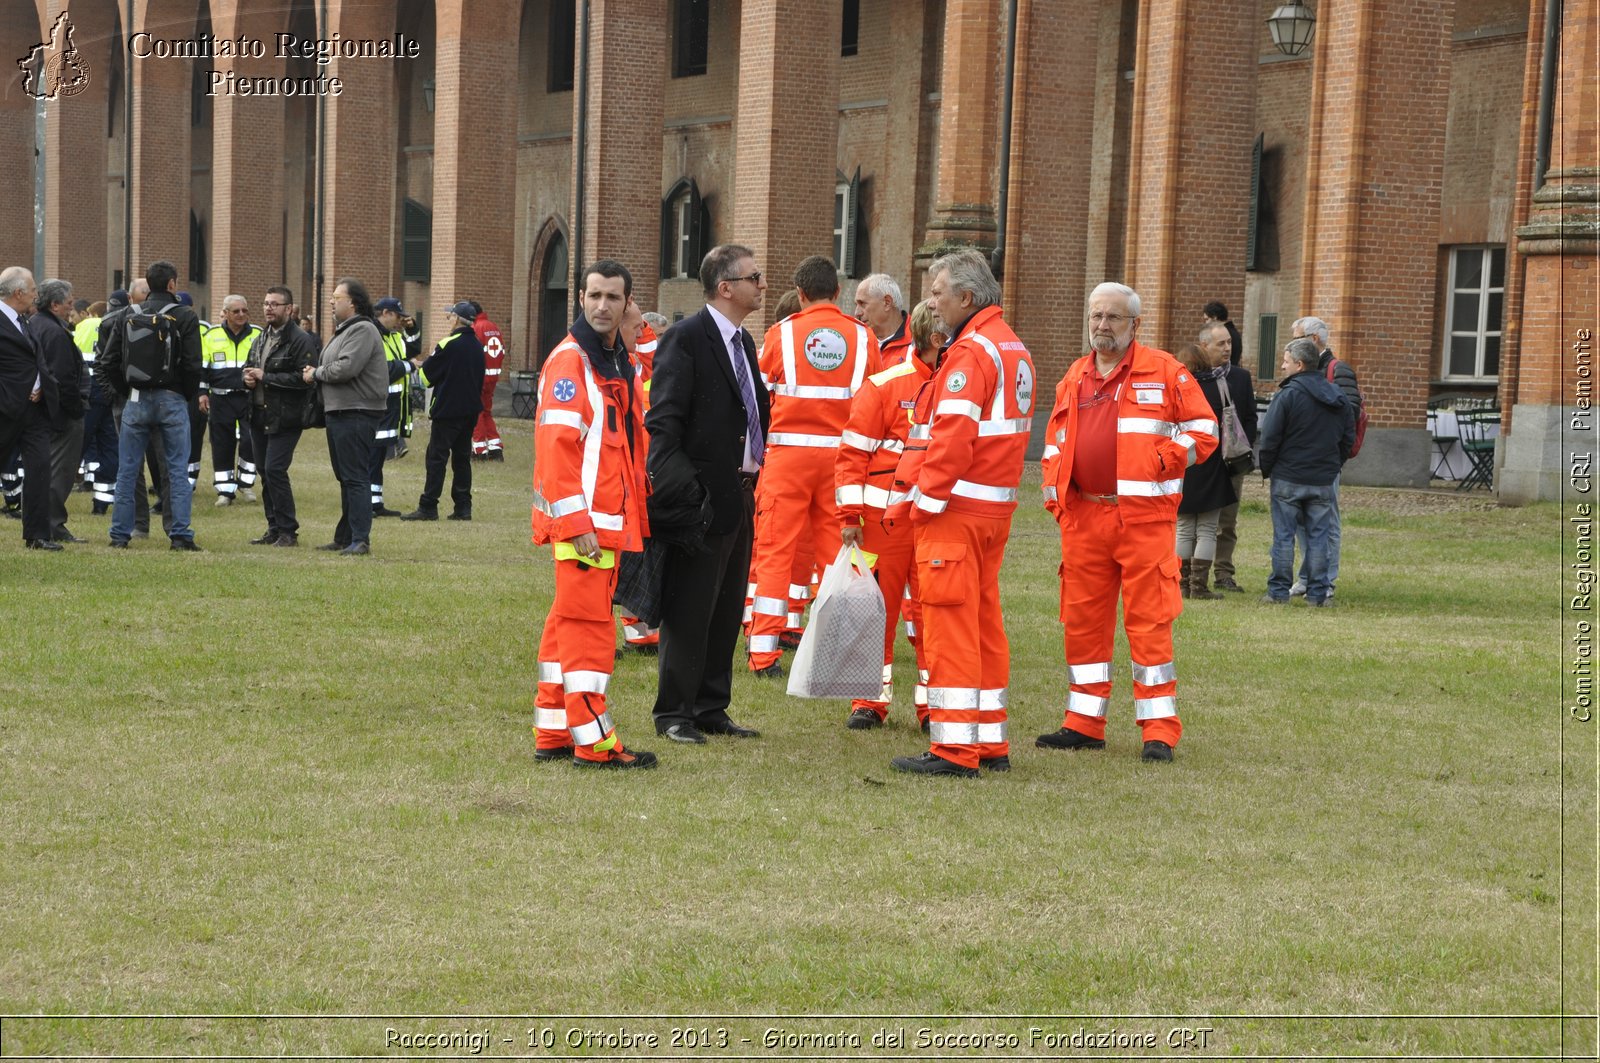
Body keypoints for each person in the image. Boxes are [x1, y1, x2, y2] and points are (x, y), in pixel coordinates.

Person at [1038, 282, 1217, 763]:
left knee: (1150, 624)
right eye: (1096, 316)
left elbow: (1205, 429)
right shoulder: (1075, 374)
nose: (1102, 326)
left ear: (1135, 324)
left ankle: (1158, 730)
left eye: (1113, 318)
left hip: (1143, 521)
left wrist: (1164, 460)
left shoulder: (1166, 371)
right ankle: (1083, 722)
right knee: (1082, 623)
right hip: (1084, 518)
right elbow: (1056, 441)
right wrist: (1056, 493)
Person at [887, 249, 1034, 778]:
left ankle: (953, 748)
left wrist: (922, 506)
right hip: (991, 512)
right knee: (983, 625)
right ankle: (989, 741)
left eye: (937, 292)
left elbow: (951, 439)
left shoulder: (972, 352)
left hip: (956, 512)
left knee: (948, 628)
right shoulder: (1011, 346)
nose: (931, 301)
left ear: (967, 298)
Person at [530, 259, 657, 769]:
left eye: (613, 298)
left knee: (566, 625)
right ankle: (594, 741)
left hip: (601, 523)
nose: (602, 305)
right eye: (594, 296)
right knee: (589, 630)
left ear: (628, 305)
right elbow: (556, 451)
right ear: (580, 299)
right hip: (585, 528)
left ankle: (555, 731)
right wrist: (577, 524)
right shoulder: (573, 363)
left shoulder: (610, 359)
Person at [645, 244, 770, 745]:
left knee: (726, 606)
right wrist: (690, 494)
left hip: (740, 492)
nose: (761, 284)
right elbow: (663, 425)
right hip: (702, 498)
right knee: (690, 606)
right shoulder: (686, 338)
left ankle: (711, 706)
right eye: (753, 277)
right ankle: (674, 712)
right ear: (726, 287)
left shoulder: (745, 342)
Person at [747, 255, 880, 677]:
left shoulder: (780, 334)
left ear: (800, 294)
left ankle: (764, 652)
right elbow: (875, 403)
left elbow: (758, 401)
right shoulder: (864, 339)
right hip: (843, 462)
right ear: (838, 292)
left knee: (774, 552)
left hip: (787, 458)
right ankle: (834, 649)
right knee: (838, 556)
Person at [835, 299, 940, 731]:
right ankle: (869, 700)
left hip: (938, 520)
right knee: (875, 610)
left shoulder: (964, 383)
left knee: (933, 614)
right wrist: (850, 517)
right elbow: (851, 453)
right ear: (937, 338)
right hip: (884, 524)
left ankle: (936, 703)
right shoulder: (884, 385)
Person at [100, 261, 205, 551]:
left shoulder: (127, 314)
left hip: (135, 399)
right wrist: (184, 394)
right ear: (172, 284)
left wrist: (128, 390)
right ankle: (180, 534)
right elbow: (194, 364)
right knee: (175, 469)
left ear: (148, 284)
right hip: (172, 399)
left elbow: (108, 361)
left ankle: (120, 534)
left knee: (128, 470)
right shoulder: (185, 316)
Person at [1257, 336, 1354, 606]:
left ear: (1299, 364)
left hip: (1288, 476)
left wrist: (1268, 469)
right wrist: (1334, 465)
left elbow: (1270, 438)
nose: (1282, 366)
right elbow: (1348, 437)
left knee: (1284, 537)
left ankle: (1278, 593)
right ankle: (1318, 594)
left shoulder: (1288, 395)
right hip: (1323, 478)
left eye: (1286, 361)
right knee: (1318, 537)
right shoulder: (1337, 396)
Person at [304, 277, 386, 555]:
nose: (330, 301)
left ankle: (360, 540)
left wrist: (315, 373)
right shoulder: (345, 330)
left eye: (336, 297)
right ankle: (345, 536)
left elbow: (346, 368)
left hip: (356, 412)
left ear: (352, 303)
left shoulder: (362, 329)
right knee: (346, 476)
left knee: (355, 476)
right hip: (341, 411)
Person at [1289, 315, 1359, 599]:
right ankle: (1307, 576)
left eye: (1297, 338)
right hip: (1304, 461)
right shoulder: (1304, 370)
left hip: (1326, 460)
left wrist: (1334, 455)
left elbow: (1349, 415)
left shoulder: (1338, 370)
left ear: (1314, 340)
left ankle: (1326, 579)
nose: (1292, 344)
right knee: (1302, 522)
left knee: (1326, 521)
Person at [242, 286, 318, 546]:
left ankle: (288, 531)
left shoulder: (299, 339)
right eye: (265, 303)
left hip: (286, 417)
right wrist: (247, 378)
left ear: (289, 309)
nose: (268, 308)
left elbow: (305, 378)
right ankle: (273, 528)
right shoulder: (262, 336)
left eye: (274, 304)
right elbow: (250, 364)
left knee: (275, 470)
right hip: (259, 413)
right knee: (264, 470)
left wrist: (268, 378)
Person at [401, 301, 485, 522]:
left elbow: (426, 378)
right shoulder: (477, 346)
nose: (449, 320)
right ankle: (463, 507)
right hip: (470, 411)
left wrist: (423, 365)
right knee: (462, 459)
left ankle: (428, 505)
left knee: (436, 458)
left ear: (457, 319)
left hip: (447, 411)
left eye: (450, 317)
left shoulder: (448, 344)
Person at [0, 267, 59, 549]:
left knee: (39, 468)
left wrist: (42, 386)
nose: (37, 294)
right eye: (33, 289)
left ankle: (37, 534)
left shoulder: (25, 320)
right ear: (18, 293)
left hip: (35, 411)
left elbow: (34, 360)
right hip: (6, 409)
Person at [1172, 342, 1236, 600]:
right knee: (1208, 529)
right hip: (1212, 461)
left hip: (1184, 461)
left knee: (1184, 527)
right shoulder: (1219, 386)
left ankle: (1182, 583)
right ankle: (1199, 587)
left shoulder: (1177, 388)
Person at [26, 279, 87, 544]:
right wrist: (76, 410)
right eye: (69, 303)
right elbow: (63, 377)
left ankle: (49, 522)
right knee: (59, 471)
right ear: (54, 304)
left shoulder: (36, 324)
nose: (71, 309)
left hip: (45, 412)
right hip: (62, 414)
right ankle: (52, 523)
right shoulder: (53, 332)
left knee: (46, 469)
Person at [1200, 321, 1257, 592]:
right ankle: (1190, 574)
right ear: (1204, 346)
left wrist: (1240, 448)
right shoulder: (1192, 377)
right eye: (1221, 343)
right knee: (1194, 519)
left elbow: (1250, 416)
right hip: (1203, 462)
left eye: (1229, 343)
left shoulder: (1241, 378)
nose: (1227, 348)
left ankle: (1224, 573)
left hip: (1231, 461)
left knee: (1227, 522)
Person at [201, 294, 262, 506]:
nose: (241, 315)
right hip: (220, 399)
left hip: (249, 398)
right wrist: (202, 393)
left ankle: (246, 484)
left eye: (244, 310)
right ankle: (225, 491)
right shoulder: (211, 335)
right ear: (225, 313)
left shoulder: (258, 334)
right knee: (222, 444)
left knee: (250, 441)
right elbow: (202, 368)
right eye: (236, 311)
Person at [370, 297, 414, 518]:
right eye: (397, 316)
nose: (399, 321)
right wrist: (409, 366)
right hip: (377, 405)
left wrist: (412, 328)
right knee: (371, 457)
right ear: (385, 313)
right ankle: (368, 504)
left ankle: (375, 503)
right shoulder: (372, 334)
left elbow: (412, 349)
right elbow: (381, 369)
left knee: (378, 457)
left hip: (390, 406)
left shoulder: (392, 336)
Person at [853, 273, 915, 366]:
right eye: (856, 305)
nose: (857, 313)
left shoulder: (919, 342)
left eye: (862, 303)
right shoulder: (857, 341)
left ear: (887, 303)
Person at [470, 302, 506, 460]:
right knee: (486, 412)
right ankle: (495, 448)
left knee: (476, 412)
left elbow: (472, 353)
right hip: (493, 377)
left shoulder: (476, 328)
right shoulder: (494, 327)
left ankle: (479, 450)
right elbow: (502, 351)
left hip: (480, 378)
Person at [1203, 300, 1244, 368]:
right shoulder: (1232, 331)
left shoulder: (1224, 333)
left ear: (1214, 317)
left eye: (1207, 319)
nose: (1206, 323)